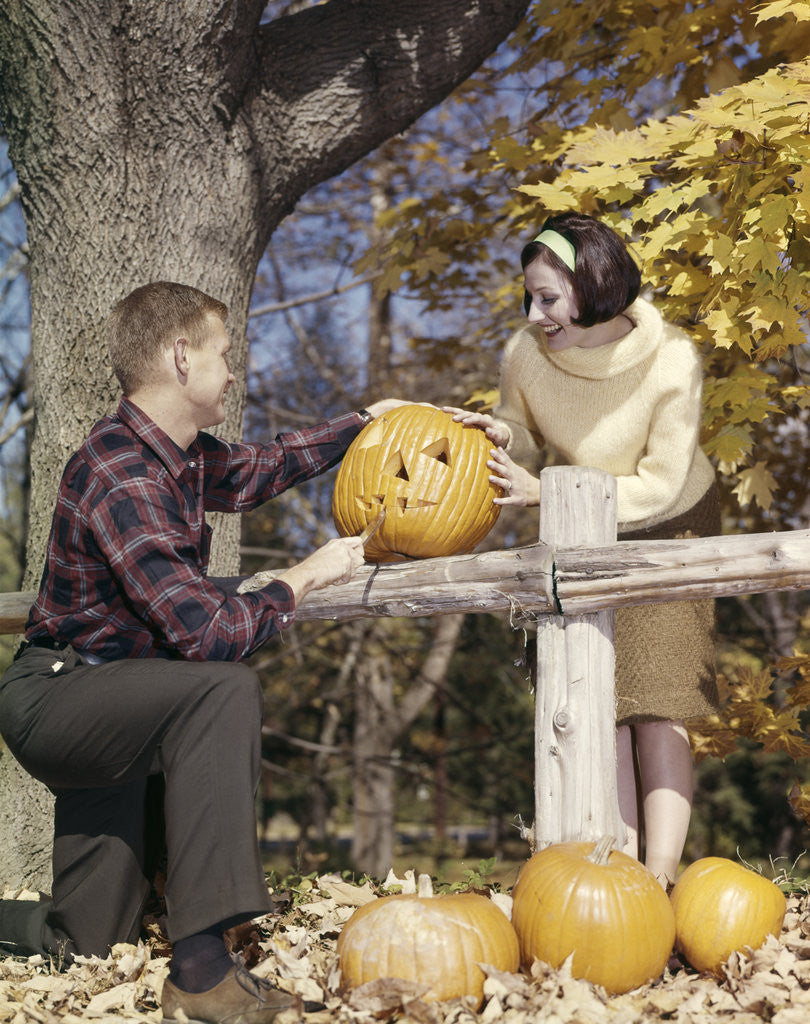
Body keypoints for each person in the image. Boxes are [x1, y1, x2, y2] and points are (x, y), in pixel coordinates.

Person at [0, 281, 407, 1023]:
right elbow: (207, 635)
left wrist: (364, 424)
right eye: (224, 354)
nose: (233, 372)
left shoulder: (181, 458)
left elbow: (262, 468)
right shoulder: (119, 470)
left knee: (87, 940)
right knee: (224, 685)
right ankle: (202, 971)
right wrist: (303, 577)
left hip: (121, 705)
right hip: (61, 698)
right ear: (181, 358)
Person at [449, 212, 719, 886]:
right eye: (530, 298)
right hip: (577, 519)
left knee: (655, 701)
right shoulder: (527, 353)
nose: (535, 314)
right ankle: (618, 875)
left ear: (595, 285)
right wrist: (505, 437)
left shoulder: (672, 360)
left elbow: (658, 484)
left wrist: (544, 491)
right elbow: (521, 422)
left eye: (548, 298)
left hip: (668, 521)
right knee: (600, 701)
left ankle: (658, 880)